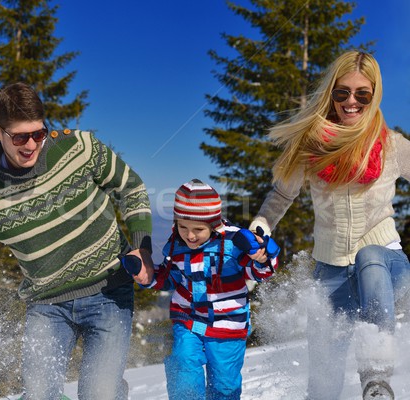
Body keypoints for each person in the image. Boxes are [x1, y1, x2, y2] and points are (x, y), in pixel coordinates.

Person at [0, 82, 154, 400]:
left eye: (39, 133)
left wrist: (142, 246)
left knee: (100, 394)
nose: (32, 144)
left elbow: (130, 186)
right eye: (20, 136)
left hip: (109, 292)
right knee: (37, 396)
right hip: (46, 305)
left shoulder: (80, 147)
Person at [249, 51, 410, 400]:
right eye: (342, 93)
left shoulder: (393, 147)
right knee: (323, 383)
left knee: (369, 256)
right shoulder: (311, 147)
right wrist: (261, 225)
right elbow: (280, 195)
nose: (351, 102)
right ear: (332, 94)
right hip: (331, 271)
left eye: (362, 95)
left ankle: (377, 379)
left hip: (386, 265)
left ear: (374, 95)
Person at [123, 179, 279, 400]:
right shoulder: (176, 245)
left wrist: (262, 257)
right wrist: (147, 276)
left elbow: (259, 274)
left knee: (224, 387)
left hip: (228, 325)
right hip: (188, 320)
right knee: (183, 364)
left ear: (213, 224)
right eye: (183, 226)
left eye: (198, 229)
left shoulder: (235, 242)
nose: (190, 235)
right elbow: (171, 278)